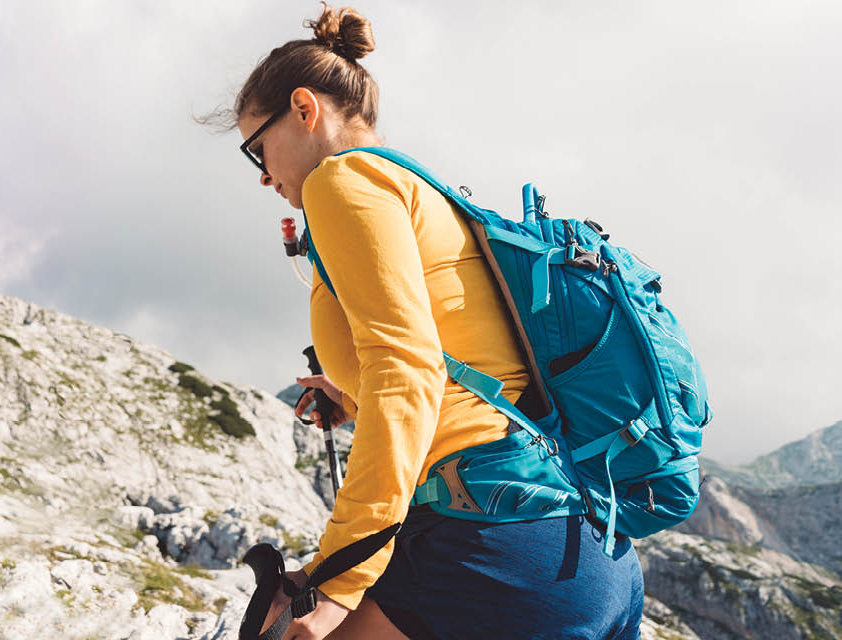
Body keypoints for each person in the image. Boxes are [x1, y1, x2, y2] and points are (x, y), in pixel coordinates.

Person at [227, 4, 645, 639]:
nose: (263, 177)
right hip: (576, 546)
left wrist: (339, 581)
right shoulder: (416, 185)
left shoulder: (339, 183)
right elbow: (454, 359)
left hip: (485, 550)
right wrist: (350, 395)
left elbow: (409, 375)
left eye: (258, 149)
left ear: (305, 109)